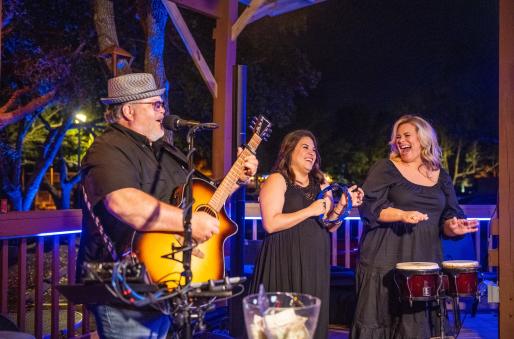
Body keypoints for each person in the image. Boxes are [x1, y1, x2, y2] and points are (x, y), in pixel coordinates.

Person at [76, 73, 258, 339]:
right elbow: (124, 203)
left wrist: (237, 179)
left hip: (165, 283)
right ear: (128, 110)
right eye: (156, 105)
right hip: (124, 288)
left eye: (162, 104)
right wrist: (188, 223)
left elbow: (205, 198)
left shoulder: (165, 150)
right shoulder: (108, 148)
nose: (164, 111)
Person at [350, 115, 479, 338]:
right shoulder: (386, 168)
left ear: (423, 139)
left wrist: (453, 227)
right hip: (386, 258)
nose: (400, 141)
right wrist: (402, 214)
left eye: (407, 135)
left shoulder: (441, 175)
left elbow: (448, 216)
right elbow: (370, 208)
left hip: (425, 260)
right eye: (397, 137)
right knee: (383, 321)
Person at [249, 130, 364, 339]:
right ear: (289, 151)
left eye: (314, 149)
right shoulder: (277, 179)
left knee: (310, 324)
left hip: (314, 263)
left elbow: (330, 225)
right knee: (281, 324)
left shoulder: (322, 186)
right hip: (284, 260)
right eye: (305, 147)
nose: (312, 152)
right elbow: (270, 223)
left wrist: (342, 206)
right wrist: (309, 211)